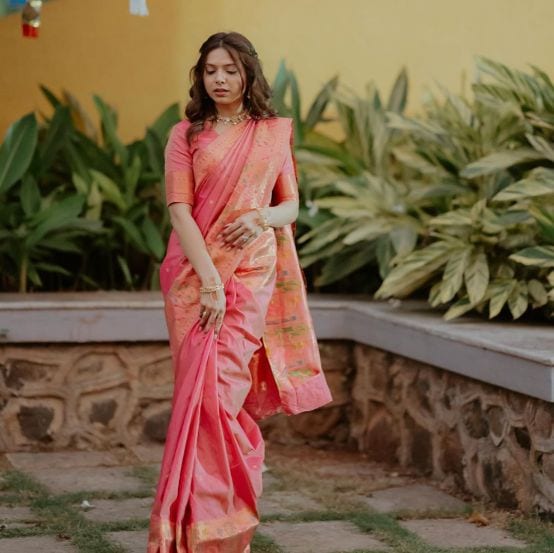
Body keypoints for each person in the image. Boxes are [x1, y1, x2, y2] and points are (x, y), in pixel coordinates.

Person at [147, 31, 333, 553]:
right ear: (201, 77)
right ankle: (198, 526)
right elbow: (179, 209)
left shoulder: (272, 133)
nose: (220, 79)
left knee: (221, 399)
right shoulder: (186, 135)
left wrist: (260, 218)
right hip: (193, 277)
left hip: (251, 275)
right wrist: (209, 281)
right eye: (210, 70)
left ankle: (223, 524)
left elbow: (290, 206)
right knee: (198, 400)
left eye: (230, 69)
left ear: (248, 72)